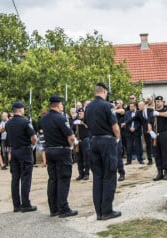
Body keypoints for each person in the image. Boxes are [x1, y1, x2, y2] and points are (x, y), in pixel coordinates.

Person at [85, 82, 122, 220]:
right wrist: (117, 139)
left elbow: (87, 124)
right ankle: (107, 210)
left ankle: (99, 212)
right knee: (110, 175)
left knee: (98, 177)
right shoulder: (107, 106)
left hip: (93, 141)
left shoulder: (88, 107)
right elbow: (115, 127)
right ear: (105, 92)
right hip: (107, 142)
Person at [39, 95, 77, 218]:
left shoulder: (44, 119)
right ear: (58, 104)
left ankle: (53, 208)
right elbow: (70, 137)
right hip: (61, 150)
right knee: (63, 179)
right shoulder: (61, 118)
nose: (62, 106)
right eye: (61, 104)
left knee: (53, 179)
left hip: (49, 150)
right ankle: (63, 208)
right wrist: (71, 147)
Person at [4, 101, 37, 212]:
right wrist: (32, 144)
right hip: (24, 151)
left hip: (14, 151)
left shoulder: (8, 123)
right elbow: (34, 138)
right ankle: (26, 204)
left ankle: (16, 205)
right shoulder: (25, 122)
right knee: (26, 178)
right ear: (20, 109)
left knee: (15, 179)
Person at [150, 96, 167, 181]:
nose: (157, 103)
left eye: (159, 101)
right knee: (157, 154)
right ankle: (159, 172)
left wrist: (159, 114)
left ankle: (166, 171)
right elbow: (149, 122)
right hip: (155, 135)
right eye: (156, 101)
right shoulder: (153, 112)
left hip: (163, 134)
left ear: (163, 102)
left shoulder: (165, 110)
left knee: (165, 153)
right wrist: (150, 131)